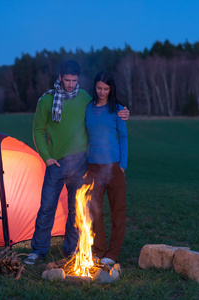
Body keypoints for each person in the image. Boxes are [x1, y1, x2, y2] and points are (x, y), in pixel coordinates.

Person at [24, 61, 129, 265]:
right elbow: (38, 130)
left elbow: (112, 113)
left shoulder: (85, 99)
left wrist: (125, 112)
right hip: (57, 163)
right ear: (60, 76)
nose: (71, 84)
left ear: (78, 79)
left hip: (81, 162)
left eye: (74, 80)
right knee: (47, 207)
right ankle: (38, 250)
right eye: (67, 80)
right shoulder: (48, 100)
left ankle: (71, 248)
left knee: (76, 208)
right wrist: (47, 158)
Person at [86, 71, 128, 266]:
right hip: (93, 167)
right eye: (99, 88)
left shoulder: (118, 110)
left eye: (106, 89)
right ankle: (99, 249)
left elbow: (123, 137)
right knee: (94, 210)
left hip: (114, 167)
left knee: (117, 211)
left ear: (111, 89)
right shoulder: (88, 108)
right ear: (94, 87)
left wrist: (122, 165)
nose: (102, 92)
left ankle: (113, 253)